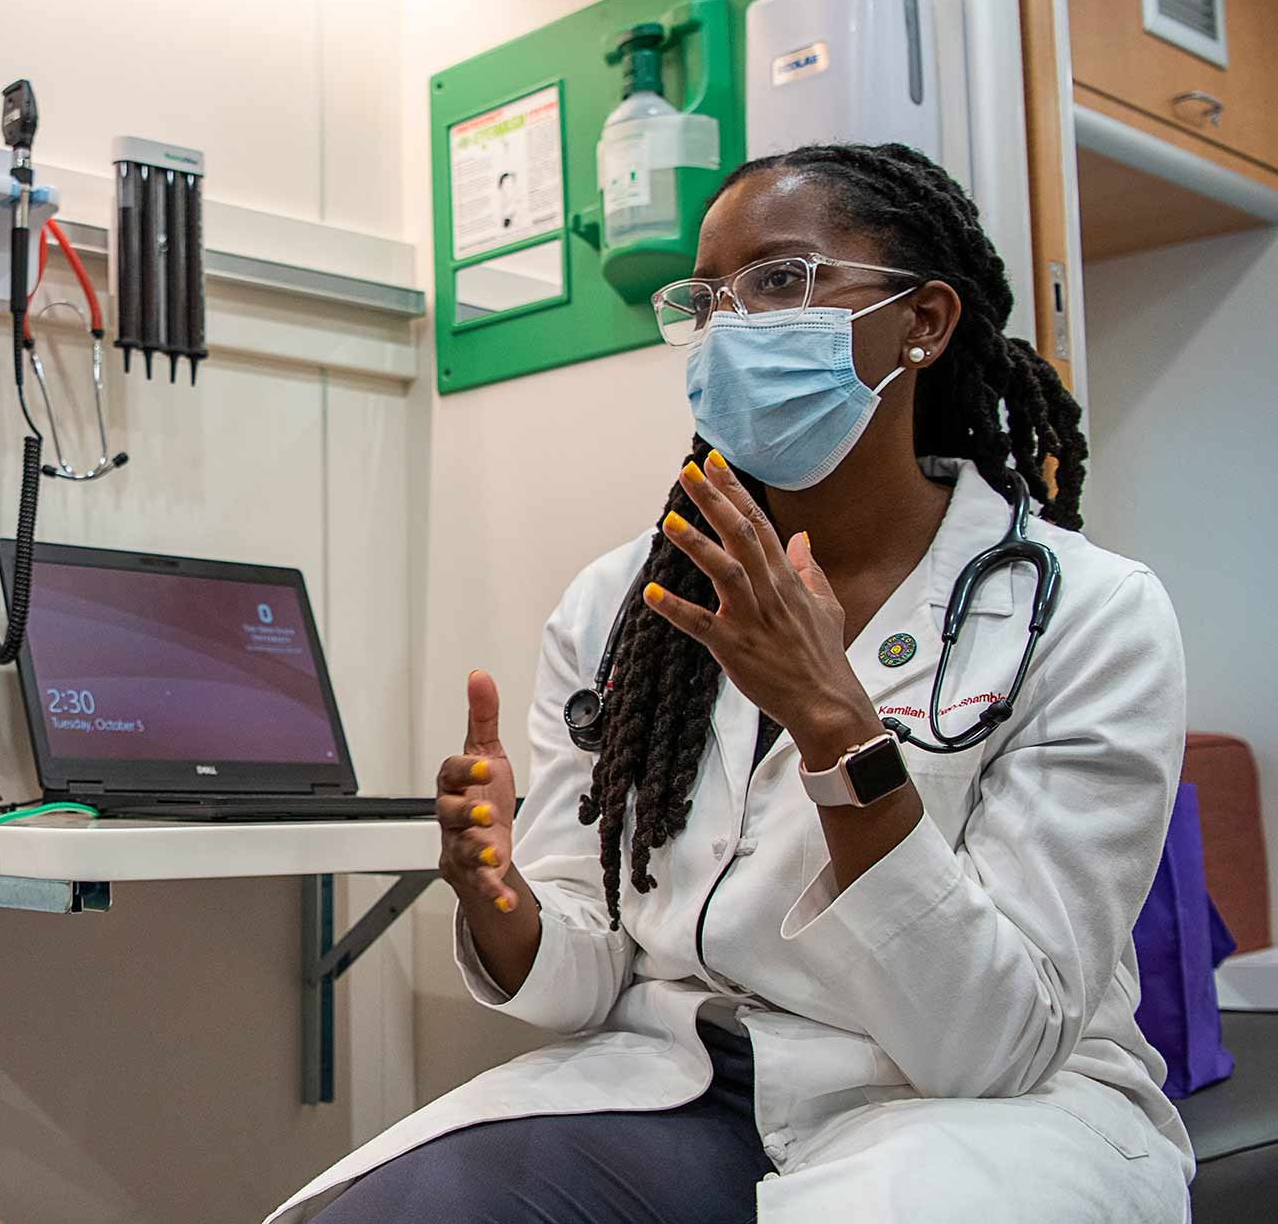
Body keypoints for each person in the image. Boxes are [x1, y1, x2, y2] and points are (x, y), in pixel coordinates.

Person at [271, 144, 1192, 1223]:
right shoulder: (627, 608)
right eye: (706, 298)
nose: (733, 326)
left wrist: (833, 727)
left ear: (924, 323)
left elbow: (994, 1041)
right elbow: (592, 966)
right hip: (682, 1083)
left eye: (780, 280)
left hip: (971, 1113)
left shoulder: (1089, 615)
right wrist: (504, 904)